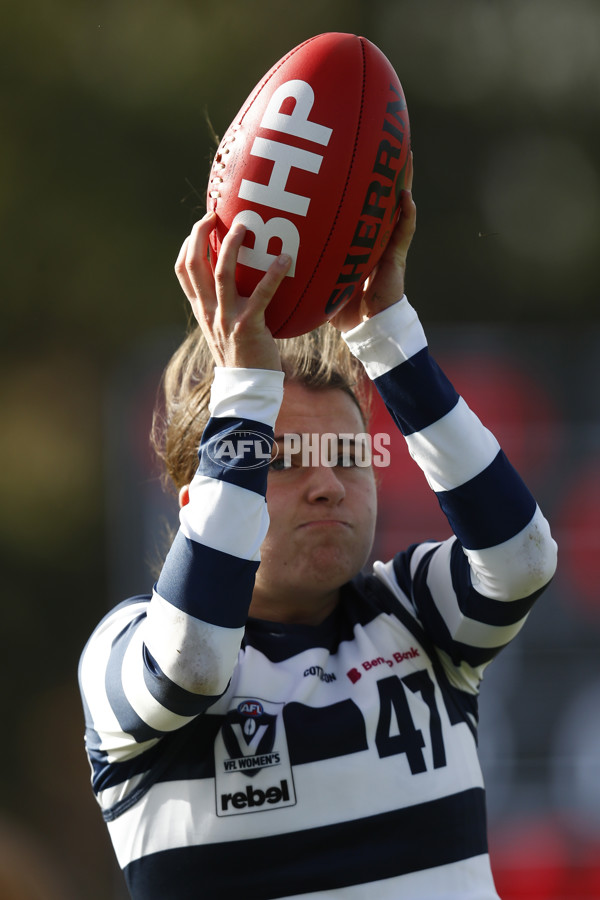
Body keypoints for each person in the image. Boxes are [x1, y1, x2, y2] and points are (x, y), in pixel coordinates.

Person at [78, 173, 557, 899]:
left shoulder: (412, 613)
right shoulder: (122, 651)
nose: (328, 483)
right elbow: (196, 661)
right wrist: (243, 388)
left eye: (348, 455)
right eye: (279, 461)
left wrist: (386, 332)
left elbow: (520, 559)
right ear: (199, 500)